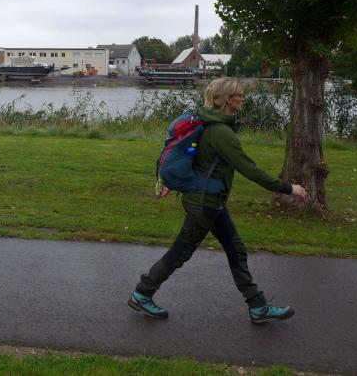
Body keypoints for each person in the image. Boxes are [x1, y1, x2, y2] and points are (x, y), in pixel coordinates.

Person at [128, 77, 307, 324]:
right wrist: (288, 188)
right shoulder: (221, 132)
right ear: (227, 100)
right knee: (181, 252)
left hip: (211, 201)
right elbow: (249, 169)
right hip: (204, 204)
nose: (243, 98)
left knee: (236, 250)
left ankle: (257, 306)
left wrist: (171, 181)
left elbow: (195, 158)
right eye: (239, 94)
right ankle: (142, 293)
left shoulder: (207, 122)